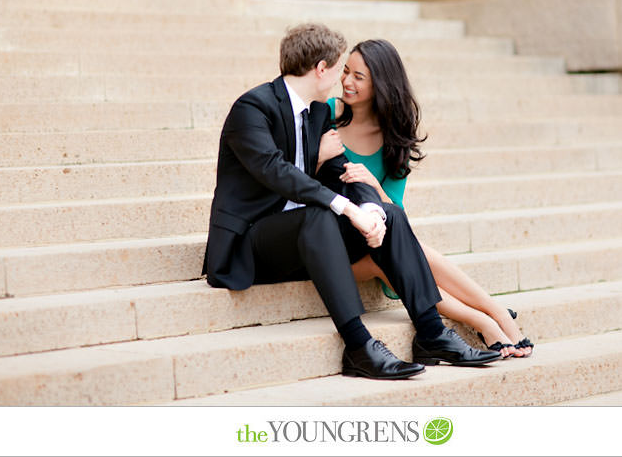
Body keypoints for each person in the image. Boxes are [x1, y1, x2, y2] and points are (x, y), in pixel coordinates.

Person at [202, 23, 499, 381]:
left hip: (311, 241)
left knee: (388, 213)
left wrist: (370, 211)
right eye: (340, 68)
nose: (342, 81)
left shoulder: (319, 113)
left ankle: (431, 332)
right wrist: (347, 208)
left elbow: (344, 172)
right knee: (320, 216)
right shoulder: (253, 107)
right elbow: (276, 172)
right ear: (321, 68)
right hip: (254, 242)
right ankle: (359, 346)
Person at [318, 39, 534, 359]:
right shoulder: (326, 116)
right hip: (332, 241)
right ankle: (485, 320)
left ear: (382, 83)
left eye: (359, 77)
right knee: (397, 258)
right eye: (346, 72)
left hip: (377, 235)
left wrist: (372, 184)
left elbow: (395, 211)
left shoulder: (395, 133)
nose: (347, 82)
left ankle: (497, 314)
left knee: (406, 249)